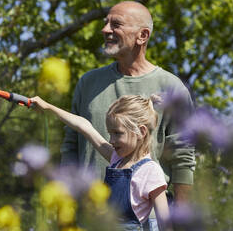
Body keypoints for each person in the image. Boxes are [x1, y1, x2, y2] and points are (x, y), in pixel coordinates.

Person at [60, 1, 195, 207]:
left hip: (146, 220)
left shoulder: (172, 89)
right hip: (89, 216)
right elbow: (70, 147)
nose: (105, 30)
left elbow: (183, 159)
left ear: (142, 36)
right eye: (106, 23)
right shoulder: (88, 83)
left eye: (116, 24)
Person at [31, 95, 173, 231]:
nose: (111, 140)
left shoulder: (151, 171)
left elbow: (165, 224)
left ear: (141, 132)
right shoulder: (116, 159)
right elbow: (84, 126)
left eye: (117, 133)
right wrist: (48, 107)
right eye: (110, 133)